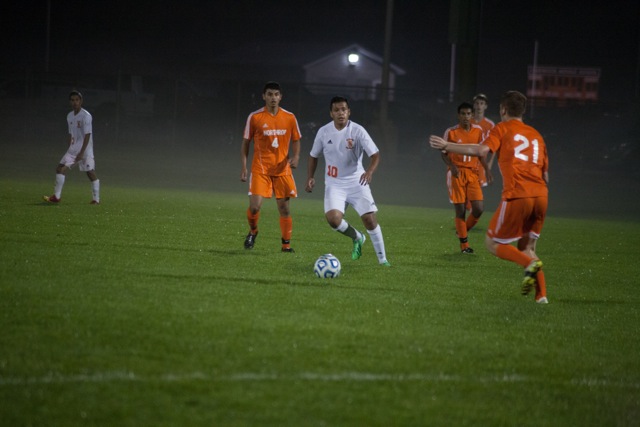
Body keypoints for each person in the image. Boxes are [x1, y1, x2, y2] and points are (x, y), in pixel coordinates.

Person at [429, 90, 549, 303]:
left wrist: (447, 145)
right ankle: (541, 296)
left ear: (503, 110)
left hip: (518, 195)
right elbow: (546, 174)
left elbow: (482, 150)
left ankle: (528, 265)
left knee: (493, 243)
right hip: (541, 196)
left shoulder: (501, 128)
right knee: (527, 248)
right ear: (523, 111)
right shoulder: (536, 134)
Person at [305, 96, 390, 266]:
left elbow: (375, 155)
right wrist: (310, 177)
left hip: (357, 182)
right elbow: (313, 156)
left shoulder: (358, 131)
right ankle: (358, 237)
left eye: (343, 109)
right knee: (333, 220)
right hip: (334, 184)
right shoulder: (323, 132)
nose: (340, 113)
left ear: (349, 112)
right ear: (331, 113)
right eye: (336, 110)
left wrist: (370, 171)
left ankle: (383, 261)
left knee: (370, 220)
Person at [240, 81, 301, 252]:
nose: (273, 98)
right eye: (269, 94)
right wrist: (244, 167)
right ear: (264, 96)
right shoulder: (255, 117)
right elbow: (246, 143)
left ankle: (286, 245)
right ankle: (253, 231)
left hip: (282, 170)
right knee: (254, 207)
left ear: (280, 97)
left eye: (276, 94)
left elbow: (296, 140)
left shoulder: (289, 117)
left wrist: (296, 157)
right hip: (261, 169)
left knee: (284, 209)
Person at [439, 102, 486, 253]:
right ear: (458, 115)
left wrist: (486, 169)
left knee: (478, 209)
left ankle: (463, 230)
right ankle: (464, 245)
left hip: (473, 173)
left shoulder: (478, 131)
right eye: (463, 114)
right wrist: (451, 166)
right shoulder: (451, 132)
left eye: (468, 114)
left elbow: (482, 151)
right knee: (460, 210)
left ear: (472, 115)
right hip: (456, 173)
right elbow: (443, 153)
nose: (466, 117)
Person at [43, 90, 100, 204]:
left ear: (81, 101)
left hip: (85, 149)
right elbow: (70, 133)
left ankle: (96, 200)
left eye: (77, 100)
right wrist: (70, 147)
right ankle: (56, 197)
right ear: (70, 102)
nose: (75, 102)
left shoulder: (86, 116)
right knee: (60, 169)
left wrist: (81, 153)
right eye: (72, 100)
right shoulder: (69, 116)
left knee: (90, 172)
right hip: (74, 149)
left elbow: (87, 135)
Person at [471, 93, 496, 187]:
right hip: (467, 159)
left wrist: (490, 163)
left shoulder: (490, 125)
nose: (479, 106)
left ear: (485, 106)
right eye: (477, 103)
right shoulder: (468, 121)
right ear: (473, 105)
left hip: (481, 161)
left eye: (482, 103)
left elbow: (494, 145)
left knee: (477, 189)